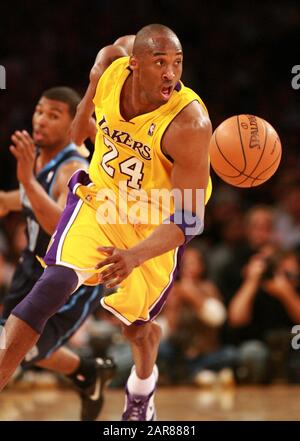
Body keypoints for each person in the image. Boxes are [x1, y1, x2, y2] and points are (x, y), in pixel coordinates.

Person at [0, 24, 212, 421]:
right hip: (101, 203)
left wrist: (134, 256)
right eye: (160, 62)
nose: (171, 73)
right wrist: (83, 121)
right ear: (134, 64)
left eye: (177, 63)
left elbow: (188, 220)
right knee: (51, 285)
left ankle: (142, 389)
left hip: (152, 225)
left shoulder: (189, 125)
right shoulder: (110, 64)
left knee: (136, 330)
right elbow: (81, 126)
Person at [0, 86, 117, 421]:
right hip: (30, 268)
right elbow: (19, 200)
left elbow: (59, 226)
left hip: (66, 278)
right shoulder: (38, 159)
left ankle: (87, 370)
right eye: (39, 111)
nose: (41, 120)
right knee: (24, 349)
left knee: (13, 349)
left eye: (53, 116)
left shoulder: (72, 167)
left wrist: (26, 180)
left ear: (71, 126)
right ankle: (88, 371)